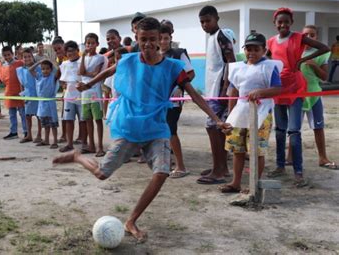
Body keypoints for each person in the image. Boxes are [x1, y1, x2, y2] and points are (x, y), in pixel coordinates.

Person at [54, 17, 230, 242]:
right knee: (101, 174)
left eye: (152, 39)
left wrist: (216, 119)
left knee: (162, 172)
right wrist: (88, 84)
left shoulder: (173, 68)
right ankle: (77, 157)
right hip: (129, 126)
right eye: (143, 39)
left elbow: (194, 94)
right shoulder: (128, 61)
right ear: (137, 38)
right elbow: (108, 72)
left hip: (156, 128)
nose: (147, 44)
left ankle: (131, 220)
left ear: (160, 40)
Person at [266, 8, 329, 187]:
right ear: (275, 23)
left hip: (295, 88)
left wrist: (302, 61)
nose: (283, 25)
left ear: (291, 23)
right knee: (279, 131)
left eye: (286, 22)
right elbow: (268, 59)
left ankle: (298, 173)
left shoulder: (299, 38)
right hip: (278, 88)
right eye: (280, 22)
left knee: (294, 132)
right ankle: (280, 166)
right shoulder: (271, 41)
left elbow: (323, 47)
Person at [218, 32, 283, 193]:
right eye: (248, 49)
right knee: (237, 149)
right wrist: (230, 115)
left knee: (256, 150)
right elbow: (233, 92)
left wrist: (261, 92)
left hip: (261, 113)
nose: (251, 53)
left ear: (263, 50)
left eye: (256, 49)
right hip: (240, 112)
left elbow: (277, 89)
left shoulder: (269, 67)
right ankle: (236, 182)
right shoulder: (238, 68)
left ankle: (254, 184)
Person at [285, 25, 336, 169]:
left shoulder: (321, 54)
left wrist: (314, 65)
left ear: (316, 37)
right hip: (297, 95)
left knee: (318, 127)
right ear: (301, 36)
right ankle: (290, 157)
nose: (309, 37)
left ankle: (323, 157)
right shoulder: (295, 51)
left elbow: (325, 77)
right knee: (294, 128)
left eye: (312, 35)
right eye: (306, 34)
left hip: (314, 94)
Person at [196, 5, 237, 185]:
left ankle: (218, 170)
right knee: (217, 129)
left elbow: (231, 62)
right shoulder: (212, 37)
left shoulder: (222, 36)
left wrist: (225, 87)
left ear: (216, 19)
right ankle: (221, 167)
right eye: (202, 22)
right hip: (212, 91)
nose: (205, 25)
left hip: (220, 91)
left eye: (208, 21)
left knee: (212, 127)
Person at [159, 24, 195, 178]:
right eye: (160, 38)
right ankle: (165, 163)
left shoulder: (178, 54)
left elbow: (190, 74)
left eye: (166, 38)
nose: (163, 41)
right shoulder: (154, 55)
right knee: (162, 131)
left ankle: (181, 166)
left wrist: (181, 86)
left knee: (171, 129)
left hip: (173, 99)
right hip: (158, 99)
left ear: (170, 39)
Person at [79, 33, 106, 157]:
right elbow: (81, 72)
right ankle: (92, 145)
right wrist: (83, 56)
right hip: (85, 93)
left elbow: (96, 74)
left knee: (98, 119)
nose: (89, 45)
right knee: (88, 119)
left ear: (97, 44)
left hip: (95, 92)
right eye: (87, 43)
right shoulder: (82, 58)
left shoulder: (100, 58)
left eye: (92, 43)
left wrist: (87, 74)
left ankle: (100, 146)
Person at [58, 41, 86, 152]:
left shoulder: (82, 62)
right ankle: (69, 143)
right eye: (68, 51)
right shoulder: (64, 64)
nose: (70, 53)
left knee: (83, 120)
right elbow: (62, 80)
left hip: (82, 96)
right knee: (69, 120)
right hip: (69, 96)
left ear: (77, 51)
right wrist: (63, 85)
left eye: (73, 50)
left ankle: (84, 142)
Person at [0, 46, 27, 140]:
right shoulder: (3, 66)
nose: (7, 57)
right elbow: (3, 80)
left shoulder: (20, 63)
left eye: (8, 54)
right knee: (12, 114)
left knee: (23, 113)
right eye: (5, 55)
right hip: (9, 93)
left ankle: (26, 131)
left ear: (12, 54)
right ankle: (13, 131)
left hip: (20, 93)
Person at [17, 48, 43, 143]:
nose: (27, 58)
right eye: (25, 57)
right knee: (27, 115)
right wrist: (22, 95)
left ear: (33, 57)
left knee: (38, 115)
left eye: (29, 56)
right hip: (27, 94)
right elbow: (21, 84)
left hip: (37, 94)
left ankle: (39, 135)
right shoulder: (21, 70)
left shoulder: (38, 68)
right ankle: (29, 135)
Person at [32, 59, 59, 148]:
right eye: (43, 69)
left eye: (47, 69)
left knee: (53, 124)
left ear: (51, 69)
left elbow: (59, 70)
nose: (45, 71)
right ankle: (46, 140)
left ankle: (55, 141)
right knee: (45, 124)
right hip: (42, 104)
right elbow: (30, 70)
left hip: (50, 104)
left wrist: (51, 62)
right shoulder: (39, 77)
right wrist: (39, 62)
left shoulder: (53, 77)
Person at [52, 37, 69, 143]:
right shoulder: (59, 59)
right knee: (64, 114)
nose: (58, 51)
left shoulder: (74, 55)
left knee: (81, 116)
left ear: (64, 46)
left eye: (59, 48)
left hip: (77, 90)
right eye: (56, 50)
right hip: (65, 90)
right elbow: (60, 72)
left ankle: (81, 136)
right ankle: (64, 135)